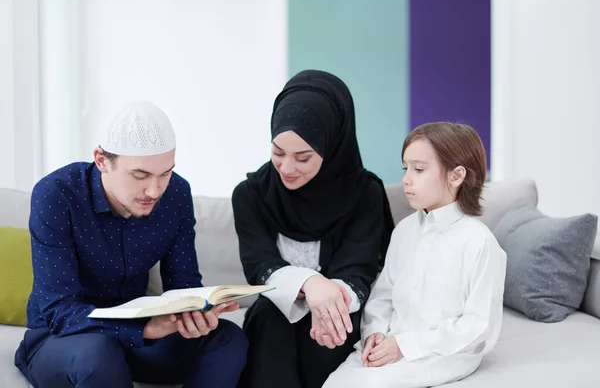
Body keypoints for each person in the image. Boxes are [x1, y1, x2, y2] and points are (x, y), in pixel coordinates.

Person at [14, 101, 248, 388]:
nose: (154, 190)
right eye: (140, 175)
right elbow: (59, 311)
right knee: (99, 353)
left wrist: (194, 314)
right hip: (64, 339)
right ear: (101, 160)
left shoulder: (176, 194)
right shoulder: (56, 195)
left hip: (141, 342)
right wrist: (143, 328)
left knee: (228, 338)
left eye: (165, 173)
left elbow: (184, 284)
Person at [232, 69, 396, 388]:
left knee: (330, 331)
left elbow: (358, 270)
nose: (287, 168)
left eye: (303, 157)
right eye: (278, 153)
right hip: (274, 316)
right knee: (271, 319)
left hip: (340, 314)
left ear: (332, 145)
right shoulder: (250, 194)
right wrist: (310, 283)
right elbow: (260, 266)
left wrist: (327, 299)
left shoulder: (365, 194)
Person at [323, 122, 507, 388]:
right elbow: (383, 296)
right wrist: (373, 333)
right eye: (405, 168)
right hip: (393, 342)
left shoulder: (479, 242)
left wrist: (405, 345)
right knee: (333, 382)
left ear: (456, 176)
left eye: (419, 169)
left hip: (444, 353)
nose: (406, 179)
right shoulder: (404, 230)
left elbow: (479, 327)